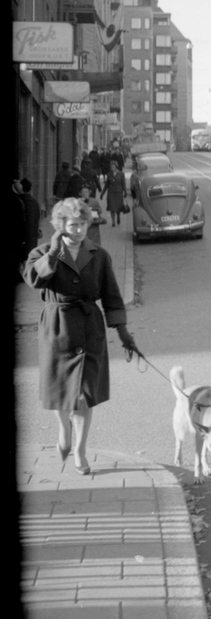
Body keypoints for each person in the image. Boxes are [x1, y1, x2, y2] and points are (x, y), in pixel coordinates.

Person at [23, 197, 137, 476]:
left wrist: (123, 332)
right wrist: (53, 252)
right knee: (60, 390)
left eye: (83, 224)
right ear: (60, 225)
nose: (79, 230)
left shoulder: (100, 255)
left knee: (85, 394)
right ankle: (64, 429)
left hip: (89, 329)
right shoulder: (41, 252)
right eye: (73, 225)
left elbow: (111, 295)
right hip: (57, 329)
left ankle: (80, 450)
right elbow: (34, 279)